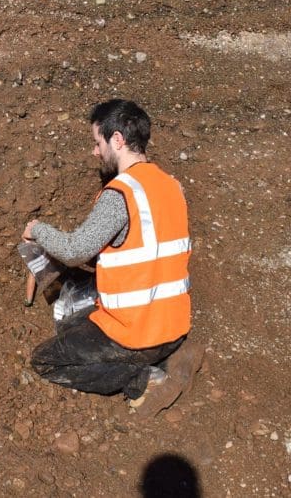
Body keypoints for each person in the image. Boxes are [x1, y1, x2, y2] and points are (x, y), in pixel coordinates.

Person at [20, 99, 203, 415]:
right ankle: (167, 357)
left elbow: (75, 250)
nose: (95, 151)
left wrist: (38, 231)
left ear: (117, 139)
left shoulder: (121, 193)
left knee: (45, 359)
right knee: (72, 325)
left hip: (135, 334)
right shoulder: (171, 186)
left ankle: (142, 378)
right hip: (172, 326)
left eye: (97, 142)